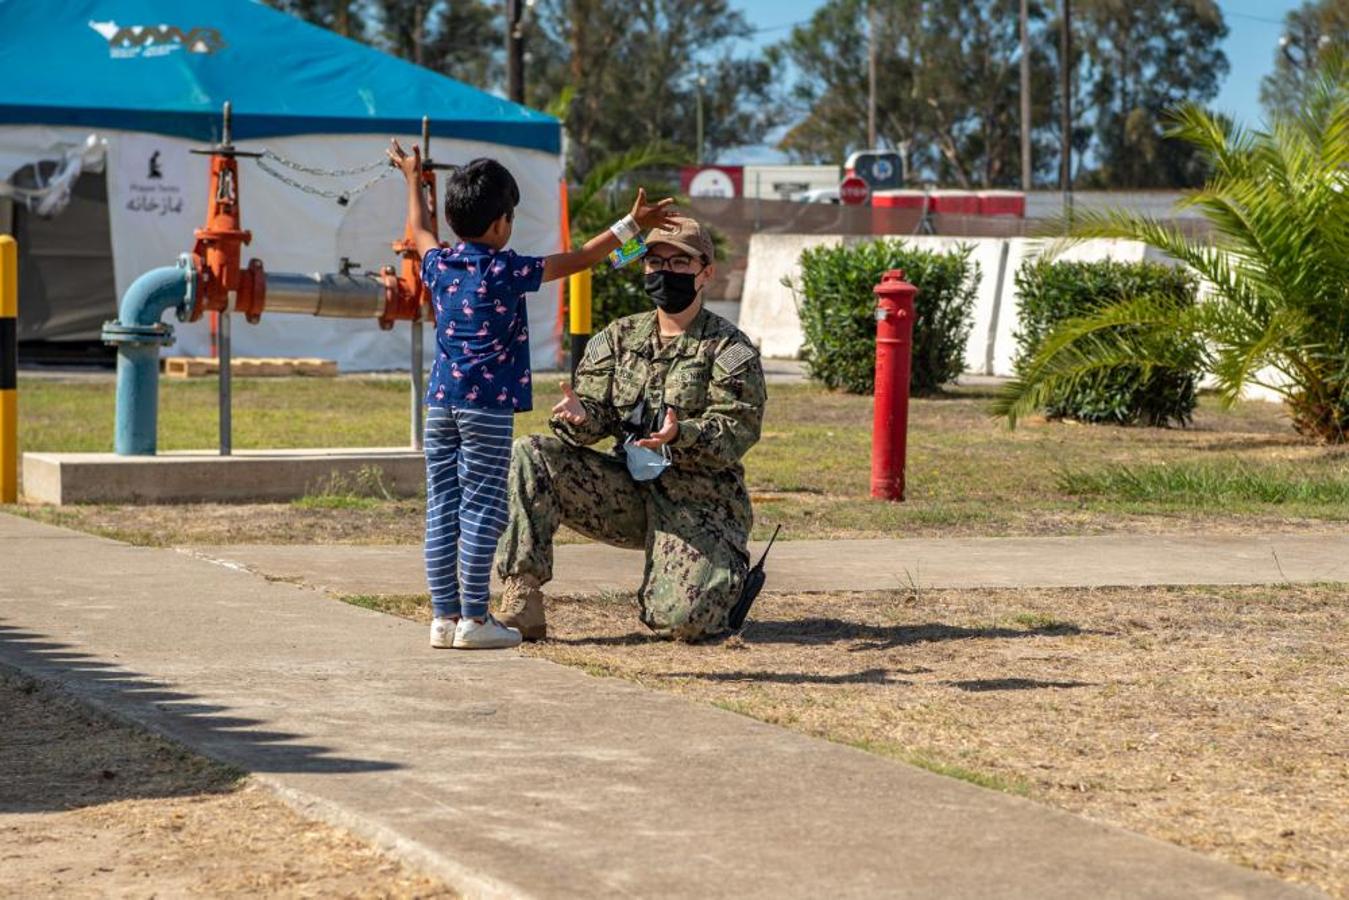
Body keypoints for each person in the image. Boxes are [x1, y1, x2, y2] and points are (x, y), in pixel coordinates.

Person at [386, 139, 675, 650]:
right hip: (486, 410)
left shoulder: (440, 265)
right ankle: (475, 619)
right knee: (482, 507)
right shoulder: (507, 270)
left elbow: (420, 231)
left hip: (440, 404)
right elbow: (584, 256)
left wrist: (412, 179)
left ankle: (443, 618)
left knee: (443, 506)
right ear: (500, 223)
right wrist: (633, 225)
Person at [495, 214, 768, 643]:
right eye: (656, 262)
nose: (665, 273)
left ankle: (720, 578)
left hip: (698, 504)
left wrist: (681, 436)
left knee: (685, 624)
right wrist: (579, 418)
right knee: (530, 452)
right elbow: (595, 414)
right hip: (627, 493)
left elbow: (736, 431)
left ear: (705, 273)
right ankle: (522, 598)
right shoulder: (618, 338)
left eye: (680, 264)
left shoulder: (728, 348)